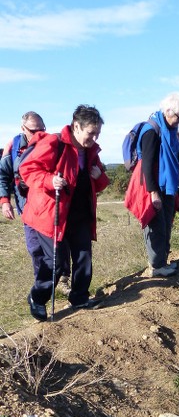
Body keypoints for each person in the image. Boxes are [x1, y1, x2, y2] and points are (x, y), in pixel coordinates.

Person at [19, 105, 109, 321]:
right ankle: (37, 298)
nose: (94, 138)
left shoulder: (90, 151)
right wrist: (50, 180)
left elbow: (99, 183)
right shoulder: (54, 143)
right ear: (76, 126)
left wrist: (99, 177)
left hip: (78, 213)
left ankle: (79, 297)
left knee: (83, 256)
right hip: (50, 213)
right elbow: (28, 169)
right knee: (56, 262)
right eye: (91, 132)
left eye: (97, 133)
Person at [0, 112, 72, 292]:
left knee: (59, 244)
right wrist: (4, 201)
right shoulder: (13, 148)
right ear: (22, 128)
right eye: (34, 130)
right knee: (35, 249)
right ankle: (42, 287)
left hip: (49, 205)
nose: (39, 133)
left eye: (42, 129)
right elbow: (3, 175)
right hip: (27, 207)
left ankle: (63, 280)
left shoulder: (51, 143)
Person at [137, 92, 179, 277]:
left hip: (168, 186)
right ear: (168, 111)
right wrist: (153, 192)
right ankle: (156, 266)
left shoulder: (171, 132)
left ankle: (162, 262)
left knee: (166, 225)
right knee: (156, 227)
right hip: (155, 187)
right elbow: (147, 165)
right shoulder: (151, 131)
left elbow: (170, 158)